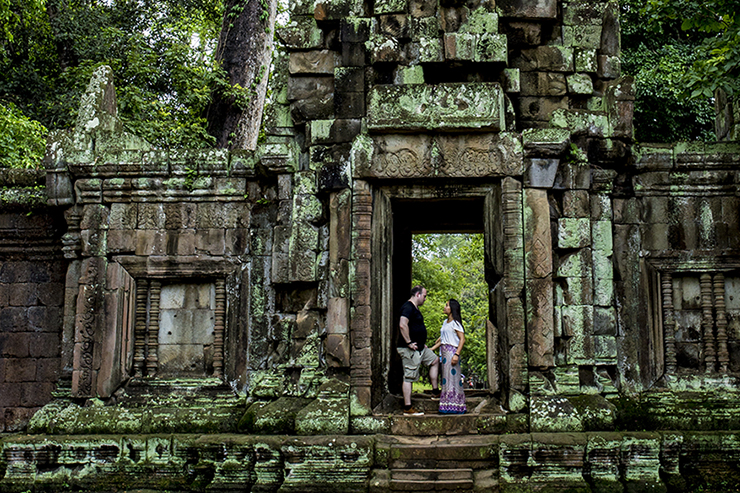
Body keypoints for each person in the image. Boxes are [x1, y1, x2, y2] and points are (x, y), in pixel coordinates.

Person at [397, 285, 440, 416]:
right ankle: (408, 407)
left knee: (434, 360)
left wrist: (422, 343)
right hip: (410, 349)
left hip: (421, 348)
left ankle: (435, 391)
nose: (425, 299)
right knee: (409, 376)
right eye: (425, 296)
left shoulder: (415, 309)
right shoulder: (408, 307)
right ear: (417, 295)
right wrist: (409, 342)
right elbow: (402, 324)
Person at [431, 299, 466, 414]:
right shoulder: (445, 322)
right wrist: (432, 349)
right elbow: (443, 340)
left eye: (447, 306)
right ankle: (446, 404)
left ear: (452, 309)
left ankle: (456, 405)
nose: (445, 307)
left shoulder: (455, 323)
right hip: (444, 353)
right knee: (445, 379)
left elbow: (462, 339)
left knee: (453, 379)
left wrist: (456, 354)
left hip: (452, 353)